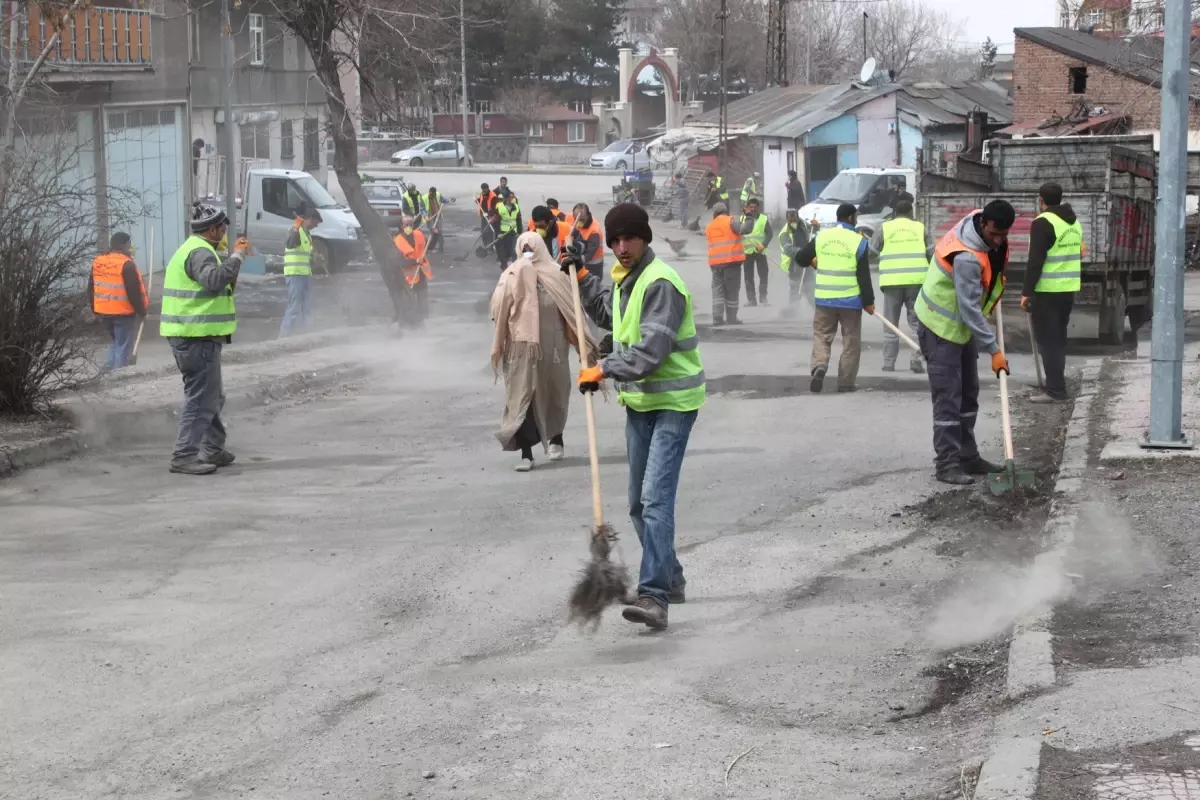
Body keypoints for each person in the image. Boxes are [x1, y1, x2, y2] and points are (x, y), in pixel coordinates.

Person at [569, 203, 706, 631]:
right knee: (636, 504)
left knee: (654, 501)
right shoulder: (628, 280)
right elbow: (610, 316)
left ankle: (655, 597)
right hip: (642, 405)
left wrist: (603, 368)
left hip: (675, 404)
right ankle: (672, 578)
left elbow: (650, 352)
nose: (622, 246)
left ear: (645, 238)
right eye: (615, 240)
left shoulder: (660, 283)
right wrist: (583, 278)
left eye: (629, 238)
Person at [914, 201, 1014, 485]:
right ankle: (947, 464)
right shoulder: (967, 257)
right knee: (948, 398)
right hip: (939, 325)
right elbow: (969, 308)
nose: (998, 240)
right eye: (994, 233)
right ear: (983, 223)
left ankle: (968, 457)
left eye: (1003, 234)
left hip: (961, 328)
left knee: (969, 393)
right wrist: (994, 349)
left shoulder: (976, 219)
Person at [491, 232, 598, 472]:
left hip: (553, 350)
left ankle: (556, 438)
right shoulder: (510, 275)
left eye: (532, 247)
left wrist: (583, 346)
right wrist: (516, 281)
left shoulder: (557, 273)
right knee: (522, 399)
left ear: (540, 248)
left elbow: (572, 310)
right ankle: (526, 454)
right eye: (524, 248)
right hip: (522, 352)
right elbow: (497, 309)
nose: (528, 251)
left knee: (554, 393)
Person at [160, 202, 250, 475]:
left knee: (211, 396)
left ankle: (213, 449)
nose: (225, 232)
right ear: (213, 228)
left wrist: (229, 260)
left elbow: (216, 285)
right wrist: (237, 257)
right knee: (202, 398)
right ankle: (184, 456)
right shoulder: (200, 252)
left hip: (193, 336)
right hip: (195, 336)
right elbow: (212, 281)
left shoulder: (196, 249)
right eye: (223, 228)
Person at [794, 203, 874, 393]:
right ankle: (846, 383)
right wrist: (868, 302)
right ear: (850, 218)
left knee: (822, 336)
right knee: (851, 341)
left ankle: (819, 365)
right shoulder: (858, 241)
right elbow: (863, 275)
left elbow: (800, 259)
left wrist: (813, 260)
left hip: (824, 300)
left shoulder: (822, 236)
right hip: (850, 300)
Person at [1022, 181, 1082, 404]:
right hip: (1067, 289)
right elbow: (1080, 251)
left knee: (1048, 341)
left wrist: (1027, 291)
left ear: (1041, 200)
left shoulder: (1043, 222)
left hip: (1047, 291)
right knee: (1058, 339)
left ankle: (1056, 390)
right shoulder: (1074, 223)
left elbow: (1035, 260)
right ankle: (1056, 384)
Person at [869, 192, 934, 373]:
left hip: (892, 282)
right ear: (911, 212)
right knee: (917, 323)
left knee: (890, 322)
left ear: (895, 212)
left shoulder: (884, 228)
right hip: (917, 282)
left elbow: (871, 252)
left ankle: (889, 362)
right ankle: (916, 361)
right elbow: (932, 254)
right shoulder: (920, 228)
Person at [89, 231, 148, 370]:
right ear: (125, 245)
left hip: (103, 312)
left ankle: (106, 373)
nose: (131, 248)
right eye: (130, 245)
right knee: (123, 346)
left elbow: (90, 289)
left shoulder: (98, 262)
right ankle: (118, 377)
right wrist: (142, 311)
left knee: (117, 342)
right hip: (123, 313)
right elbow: (133, 293)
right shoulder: (126, 264)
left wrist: (94, 308)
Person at [279, 206, 322, 338]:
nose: (316, 225)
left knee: (307, 307)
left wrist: (315, 257)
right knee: (294, 307)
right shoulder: (295, 231)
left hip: (305, 275)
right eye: (315, 222)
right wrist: (296, 228)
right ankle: (283, 337)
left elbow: (305, 254)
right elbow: (291, 244)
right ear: (308, 219)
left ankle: (307, 335)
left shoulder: (307, 234)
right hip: (295, 274)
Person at [706, 202, 746, 326]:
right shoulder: (731, 221)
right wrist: (748, 217)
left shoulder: (710, 226)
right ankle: (731, 318)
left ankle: (717, 318)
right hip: (730, 262)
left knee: (718, 291)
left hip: (715, 264)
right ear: (725, 211)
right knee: (732, 291)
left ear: (715, 213)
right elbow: (744, 229)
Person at [392, 215, 432, 326]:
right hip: (408, 278)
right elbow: (399, 262)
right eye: (406, 225)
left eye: (411, 224)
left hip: (421, 274)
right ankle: (407, 324)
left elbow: (428, 246)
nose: (409, 227)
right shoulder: (397, 241)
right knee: (410, 302)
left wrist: (434, 234)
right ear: (401, 226)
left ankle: (422, 322)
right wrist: (415, 261)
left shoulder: (419, 235)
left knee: (423, 300)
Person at [739, 196, 774, 307]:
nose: (753, 209)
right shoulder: (742, 219)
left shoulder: (763, 219)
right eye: (751, 207)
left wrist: (764, 245)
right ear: (747, 208)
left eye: (754, 207)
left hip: (760, 251)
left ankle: (763, 298)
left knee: (763, 275)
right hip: (747, 252)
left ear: (758, 207)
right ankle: (751, 300)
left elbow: (770, 234)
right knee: (748, 277)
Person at [777, 209, 811, 316]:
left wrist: (816, 225)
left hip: (808, 262)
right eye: (790, 215)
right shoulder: (784, 232)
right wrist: (801, 252)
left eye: (793, 215)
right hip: (794, 265)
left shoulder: (804, 224)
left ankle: (817, 309)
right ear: (787, 218)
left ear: (797, 215)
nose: (792, 217)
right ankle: (793, 311)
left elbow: (812, 229)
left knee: (811, 286)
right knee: (796, 288)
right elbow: (788, 249)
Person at [570, 203, 605, 273]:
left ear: (588, 215)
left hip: (593, 264)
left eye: (581, 219)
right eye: (576, 219)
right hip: (584, 260)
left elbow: (590, 253)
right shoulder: (580, 221)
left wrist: (575, 262)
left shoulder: (594, 231)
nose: (578, 222)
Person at [493, 189, 520, 271]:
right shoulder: (500, 208)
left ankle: (515, 268)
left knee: (514, 251)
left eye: (512, 197)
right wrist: (498, 233)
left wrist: (519, 232)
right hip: (503, 233)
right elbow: (496, 222)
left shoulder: (516, 207)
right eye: (509, 197)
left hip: (513, 232)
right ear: (505, 198)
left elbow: (518, 220)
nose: (511, 199)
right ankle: (504, 266)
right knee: (502, 251)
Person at [425, 186, 445, 253]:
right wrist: (426, 216)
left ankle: (441, 249)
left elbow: (444, 200)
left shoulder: (437, 195)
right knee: (434, 233)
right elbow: (422, 208)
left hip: (437, 217)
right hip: (429, 218)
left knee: (440, 233)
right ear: (430, 192)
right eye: (432, 193)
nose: (434, 195)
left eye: (434, 193)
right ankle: (429, 248)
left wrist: (446, 201)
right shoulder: (425, 198)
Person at [477, 182, 496, 247]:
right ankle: (485, 245)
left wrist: (488, 214)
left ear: (488, 189)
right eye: (482, 190)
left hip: (490, 216)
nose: (483, 192)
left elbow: (495, 208)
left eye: (485, 190)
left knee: (490, 231)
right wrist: (477, 200)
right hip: (483, 216)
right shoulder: (482, 194)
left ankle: (490, 246)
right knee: (483, 231)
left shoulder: (493, 196)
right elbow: (481, 201)